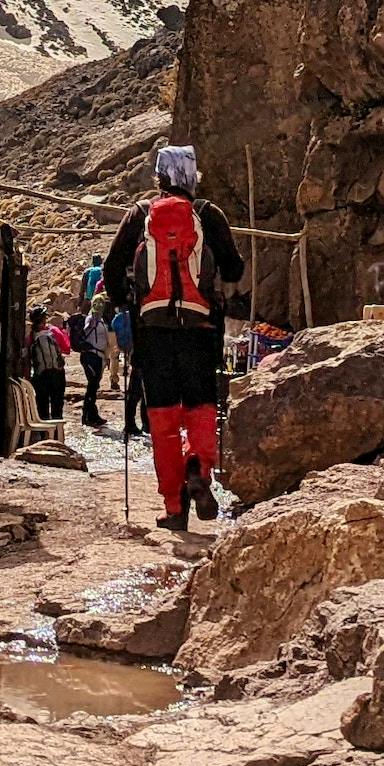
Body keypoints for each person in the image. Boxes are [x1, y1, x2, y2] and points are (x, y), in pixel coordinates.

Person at [102, 145, 243, 530]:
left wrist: (126, 301)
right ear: (192, 177)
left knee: (162, 419)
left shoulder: (140, 214)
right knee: (200, 407)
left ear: (160, 178)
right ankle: (198, 466)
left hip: (153, 333)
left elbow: (112, 269)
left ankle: (174, 507)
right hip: (201, 332)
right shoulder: (208, 215)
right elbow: (234, 267)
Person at [27, 305, 66, 422]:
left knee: (42, 407)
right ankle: (56, 434)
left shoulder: (31, 337)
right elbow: (65, 347)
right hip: (56, 374)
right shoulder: (52, 332)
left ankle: (45, 434)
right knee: (57, 407)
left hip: (40, 375)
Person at [80, 293, 113, 427]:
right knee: (92, 385)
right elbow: (86, 331)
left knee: (94, 386)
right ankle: (86, 415)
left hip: (99, 357)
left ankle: (92, 415)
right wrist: (93, 318)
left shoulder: (101, 321)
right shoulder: (91, 318)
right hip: (91, 356)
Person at [113, 301, 145, 438]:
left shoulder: (125, 318)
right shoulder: (142, 320)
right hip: (143, 360)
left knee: (134, 395)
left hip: (135, 357)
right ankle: (143, 424)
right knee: (142, 395)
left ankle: (131, 423)